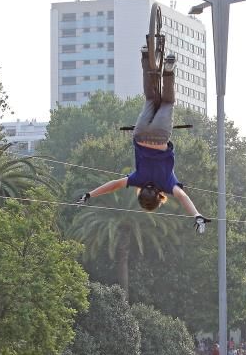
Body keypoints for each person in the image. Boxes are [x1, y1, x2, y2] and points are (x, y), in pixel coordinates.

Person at [78, 48, 210, 233]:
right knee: (150, 98)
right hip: (140, 135)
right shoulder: (136, 180)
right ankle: (146, 56)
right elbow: (113, 185)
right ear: (140, 193)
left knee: (167, 102)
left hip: (160, 136)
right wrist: (89, 194)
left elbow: (183, 197)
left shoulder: (167, 185)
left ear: (160, 197)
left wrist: (197, 215)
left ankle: (169, 71)